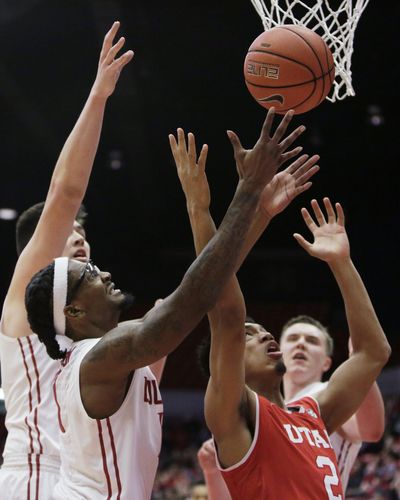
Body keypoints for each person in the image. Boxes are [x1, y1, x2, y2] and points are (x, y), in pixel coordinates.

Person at [24, 107, 307, 499]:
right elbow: (197, 295)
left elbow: (209, 283)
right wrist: (247, 193)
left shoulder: (117, 347)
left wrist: (258, 212)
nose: (104, 274)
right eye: (89, 275)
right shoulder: (97, 359)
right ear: (73, 312)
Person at [176, 135, 390, 498]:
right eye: (249, 335)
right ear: (226, 364)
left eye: (261, 330)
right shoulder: (235, 411)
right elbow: (225, 311)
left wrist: (341, 263)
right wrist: (205, 210)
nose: (263, 335)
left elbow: (373, 352)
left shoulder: (312, 413)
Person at [0, 21, 133, 500]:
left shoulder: (87, 319)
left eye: (84, 237)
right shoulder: (24, 309)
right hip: (34, 475)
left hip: (89, 478)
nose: (80, 242)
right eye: (66, 235)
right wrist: (99, 96)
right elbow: (66, 192)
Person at [198, 315, 385, 498]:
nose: (301, 344)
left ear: (327, 362)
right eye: (293, 338)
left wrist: (362, 365)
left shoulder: (327, 395)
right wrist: (212, 471)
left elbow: (371, 430)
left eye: (312, 341)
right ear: (280, 350)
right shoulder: (258, 408)